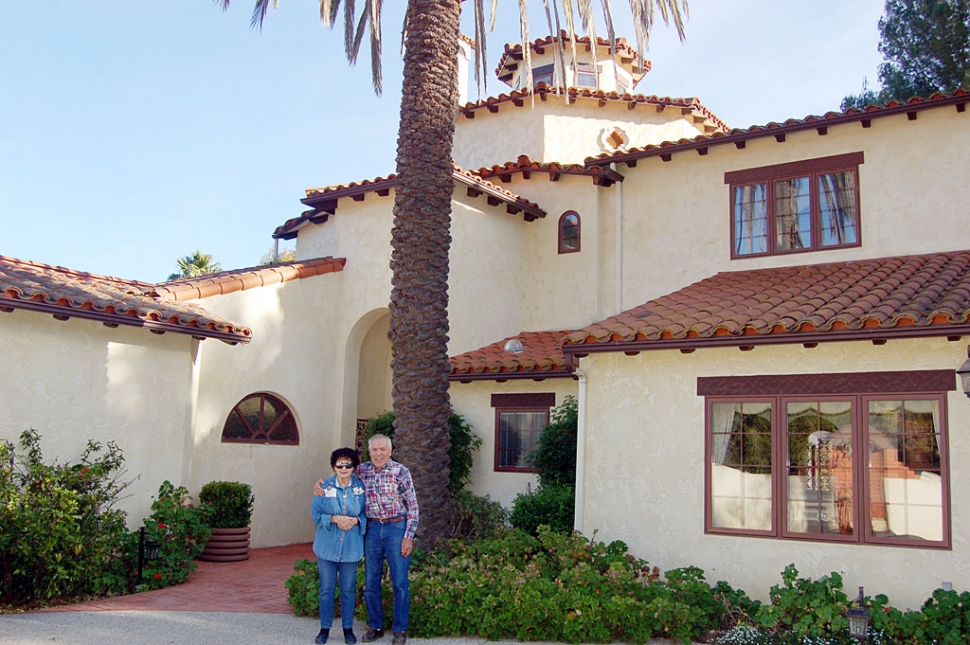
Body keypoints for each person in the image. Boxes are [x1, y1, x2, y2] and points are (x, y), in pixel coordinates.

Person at [319, 433, 418, 645]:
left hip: (396, 528)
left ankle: (400, 630)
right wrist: (319, 486)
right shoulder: (362, 471)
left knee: (400, 582)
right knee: (371, 581)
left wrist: (408, 537)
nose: (379, 453)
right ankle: (376, 626)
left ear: (390, 451)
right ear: (369, 451)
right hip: (372, 528)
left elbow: (413, 507)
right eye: (375, 450)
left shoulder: (401, 472)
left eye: (383, 449)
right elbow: (340, 481)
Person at [312, 447, 368, 645]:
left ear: (354, 466)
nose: (344, 468)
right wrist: (334, 519)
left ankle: (348, 629)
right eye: (339, 464)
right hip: (327, 547)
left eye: (348, 464)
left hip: (351, 548)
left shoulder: (361, 488)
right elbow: (316, 516)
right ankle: (324, 629)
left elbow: (365, 514)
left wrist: (355, 521)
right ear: (333, 466)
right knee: (326, 589)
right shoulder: (324, 487)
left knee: (348, 590)